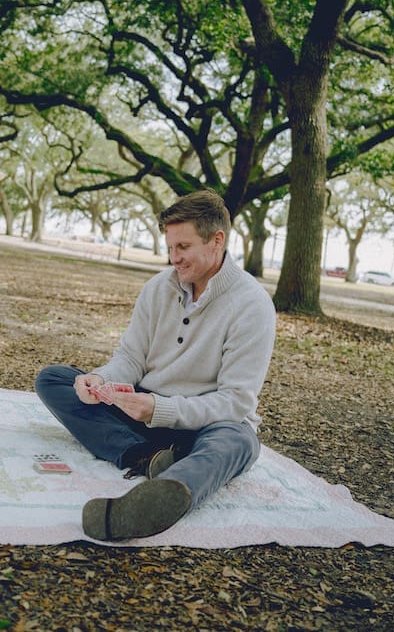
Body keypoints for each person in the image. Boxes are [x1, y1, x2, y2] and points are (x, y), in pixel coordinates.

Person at [35, 190, 276, 540]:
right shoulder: (157, 288)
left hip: (207, 423)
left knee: (238, 443)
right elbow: (131, 358)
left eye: (183, 247)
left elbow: (236, 402)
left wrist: (161, 409)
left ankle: (170, 488)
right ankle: (148, 459)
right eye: (170, 247)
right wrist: (98, 380)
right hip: (143, 411)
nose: (173, 258)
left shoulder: (252, 305)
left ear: (216, 241)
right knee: (55, 380)